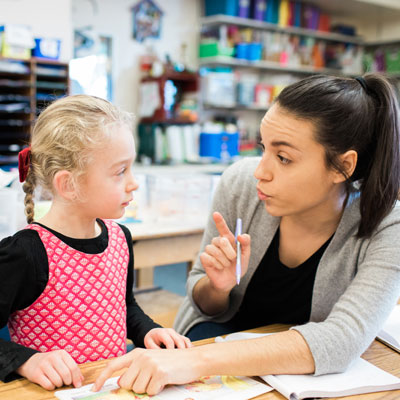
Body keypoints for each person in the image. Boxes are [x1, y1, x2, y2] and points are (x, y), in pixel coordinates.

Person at [93, 73, 400, 395]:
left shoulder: (388, 225)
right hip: (211, 343)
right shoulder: (241, 185)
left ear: (342, 166)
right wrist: (217, 287)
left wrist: (198, 361)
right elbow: (202, 304)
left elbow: (342, 340)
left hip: (292, 376)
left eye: (283, 158)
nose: (260, 171)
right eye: (263, 149)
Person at [0, 95, 190, 390]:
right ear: (69, 184)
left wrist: (147, 331)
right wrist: (28, 360)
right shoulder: (26, 253)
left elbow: (124, 307)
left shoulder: (120, 239)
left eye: (132, 167)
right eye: (120, 171)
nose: (134, 182)